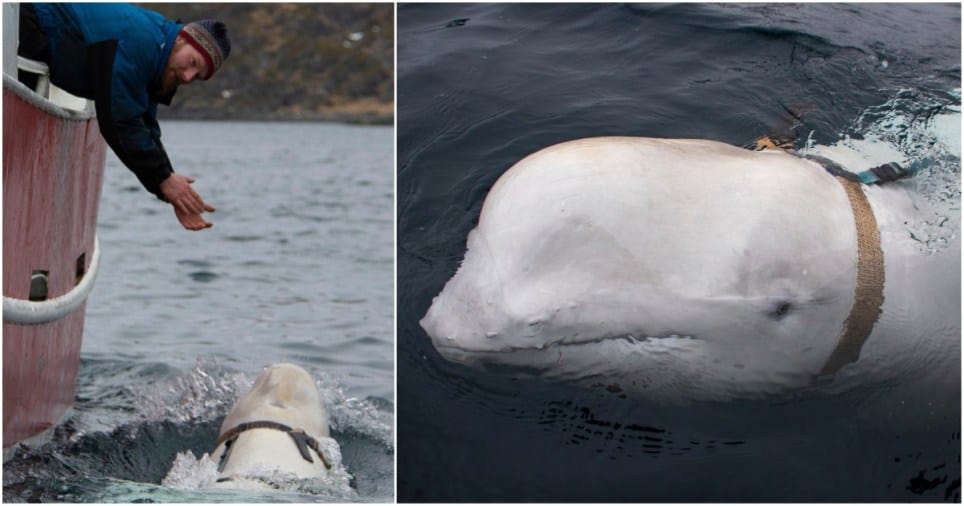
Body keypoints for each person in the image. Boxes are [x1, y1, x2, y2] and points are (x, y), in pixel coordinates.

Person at [18, 3, 231, 231]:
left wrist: (168, 183)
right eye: (192, 63)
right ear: (182, 39)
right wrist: (164, 180)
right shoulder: (139, 42)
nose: (188, 77)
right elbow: (119, 121)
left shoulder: (158, 54)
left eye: (198, 76)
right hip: (29, 22)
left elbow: (144, 124)